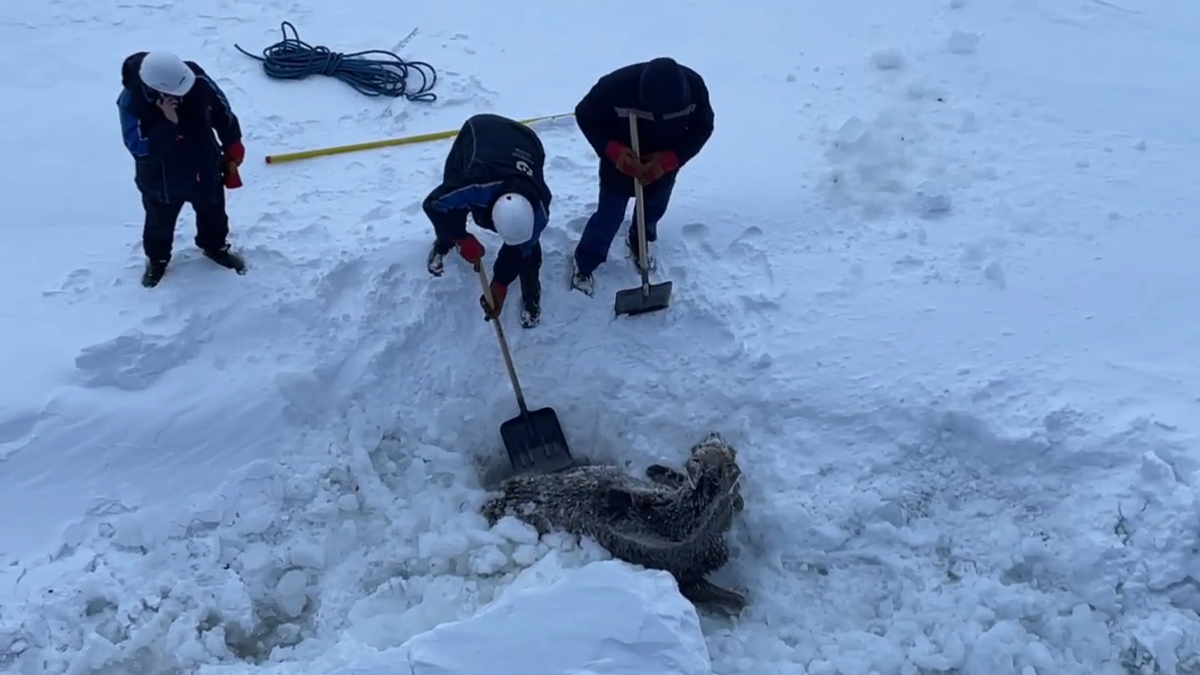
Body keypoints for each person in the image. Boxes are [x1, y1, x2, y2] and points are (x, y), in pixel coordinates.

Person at [569, 58, 715, 296]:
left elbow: (703, 128)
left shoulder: (695, 88)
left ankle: (640, 242)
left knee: (652, 209)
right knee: (609, 216)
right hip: (621, 164)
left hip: (663, 165)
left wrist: (669, 160)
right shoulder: (614, 88)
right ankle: (585, 263)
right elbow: (584, 115)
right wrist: (614, 152)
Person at [117, 51, 247, 288]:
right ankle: (158, 260)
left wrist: (232, 142)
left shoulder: (195, 79)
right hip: (161, 181)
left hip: (204, 167)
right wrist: (168, 123)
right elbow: (140, 149)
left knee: (214, 213)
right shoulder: (132, 102)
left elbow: (222, 112)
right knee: (158, 224)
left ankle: (214, 247)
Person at [423, 113, 553, 329]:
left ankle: (531, 290)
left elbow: (520, 249)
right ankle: (444, 242)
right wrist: (461, 237)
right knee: (452, 207)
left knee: (528, 251)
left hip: (527, 142)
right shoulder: (476, 184)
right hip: (479, 133)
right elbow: (434, 204)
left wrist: (500, 284)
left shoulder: (539, 211)